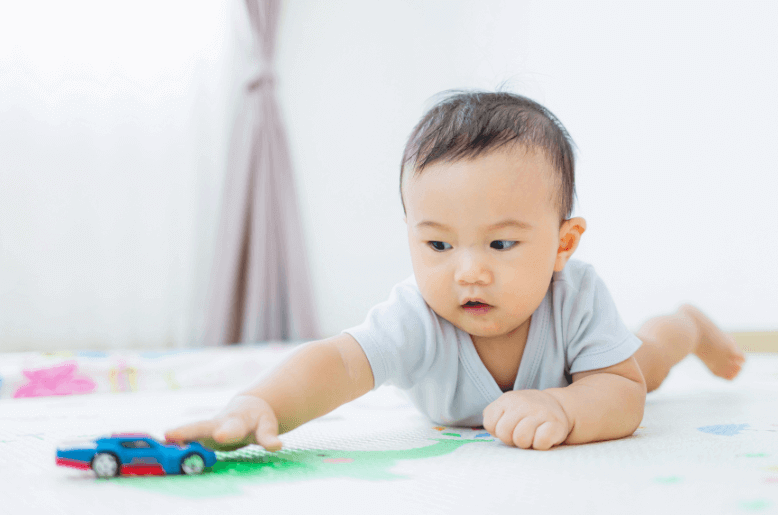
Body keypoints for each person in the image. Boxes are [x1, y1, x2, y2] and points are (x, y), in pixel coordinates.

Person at [165, 90, 746, 452]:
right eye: (439, 245)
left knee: (650, 359)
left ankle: (687, 325)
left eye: (500, 243)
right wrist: (262, 405)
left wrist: (564, 407)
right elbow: (337, 364)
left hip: (585, 374)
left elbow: (622, 395)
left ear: (563, 244)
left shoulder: (577, 296)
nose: (468, 271)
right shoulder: (415, 314)